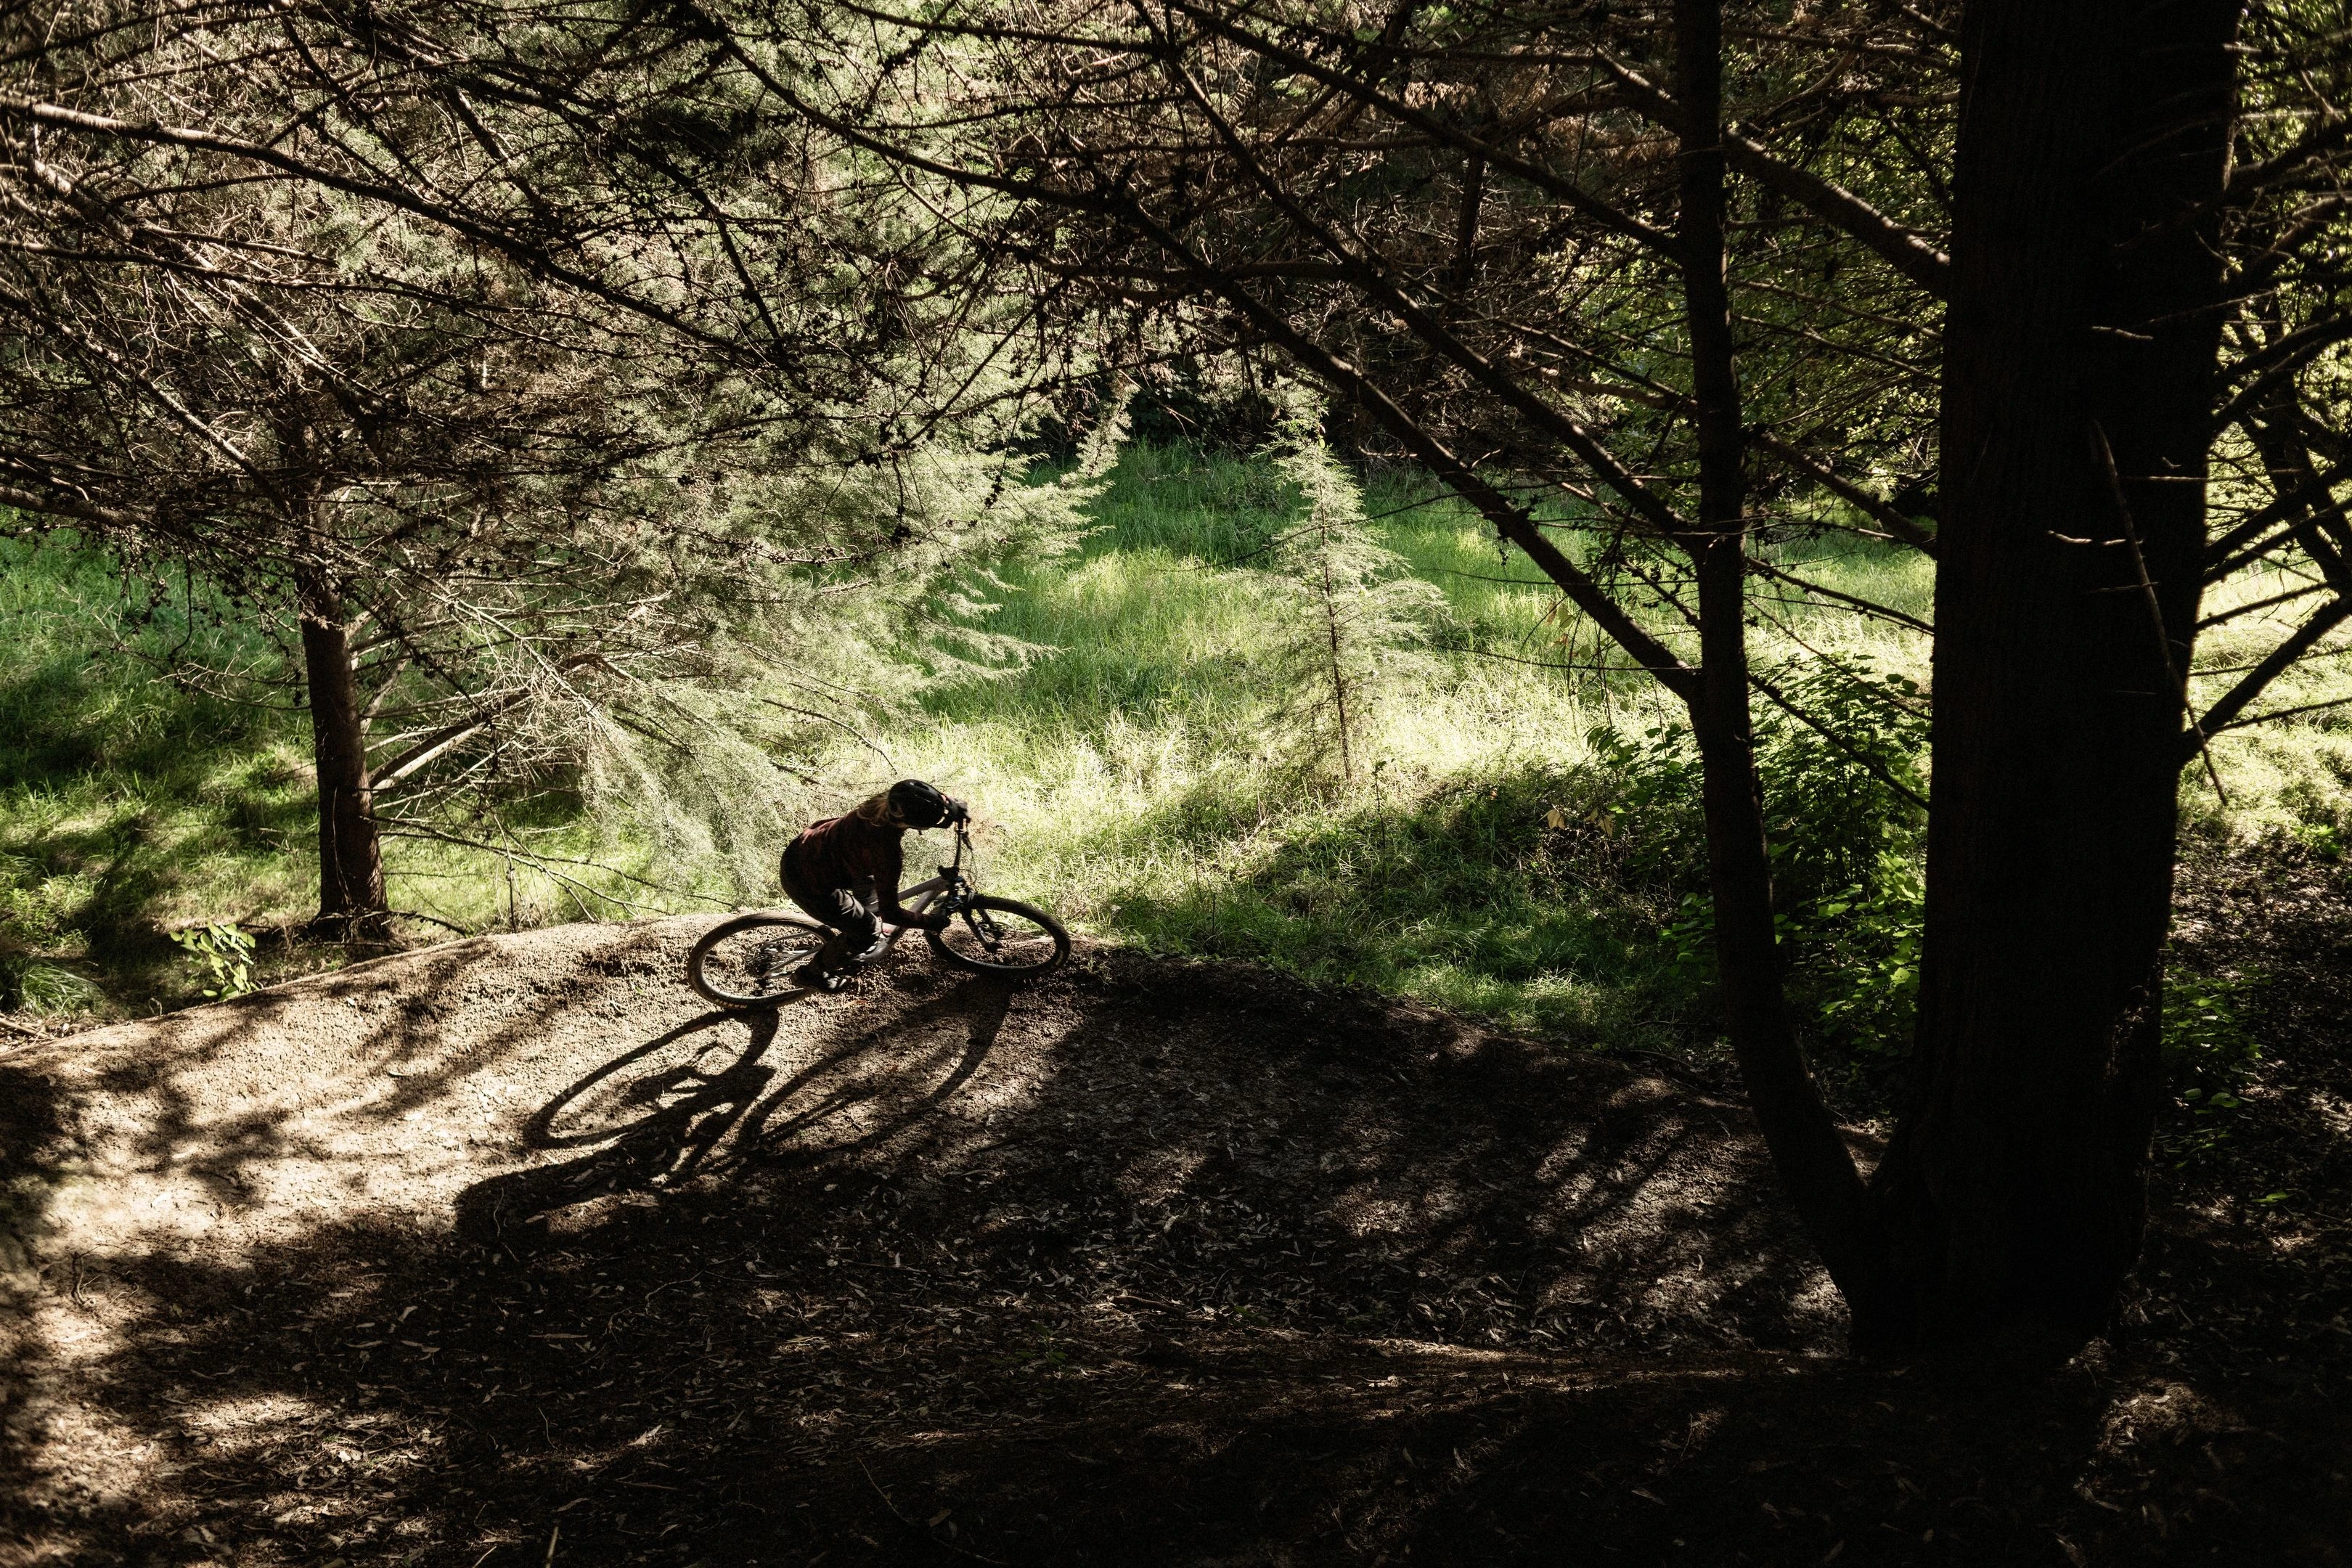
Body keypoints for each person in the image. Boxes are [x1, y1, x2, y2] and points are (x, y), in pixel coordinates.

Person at [780, 778, 966, 987]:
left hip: (807, 849)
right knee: (867, 931)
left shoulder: (882, 803)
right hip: (808, 883)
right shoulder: (886, 851)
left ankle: (857, 920)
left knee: (870, 896)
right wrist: (930, 922)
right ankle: (812, 974)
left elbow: (916, 799)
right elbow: (892, 914)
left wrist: (952, 807)